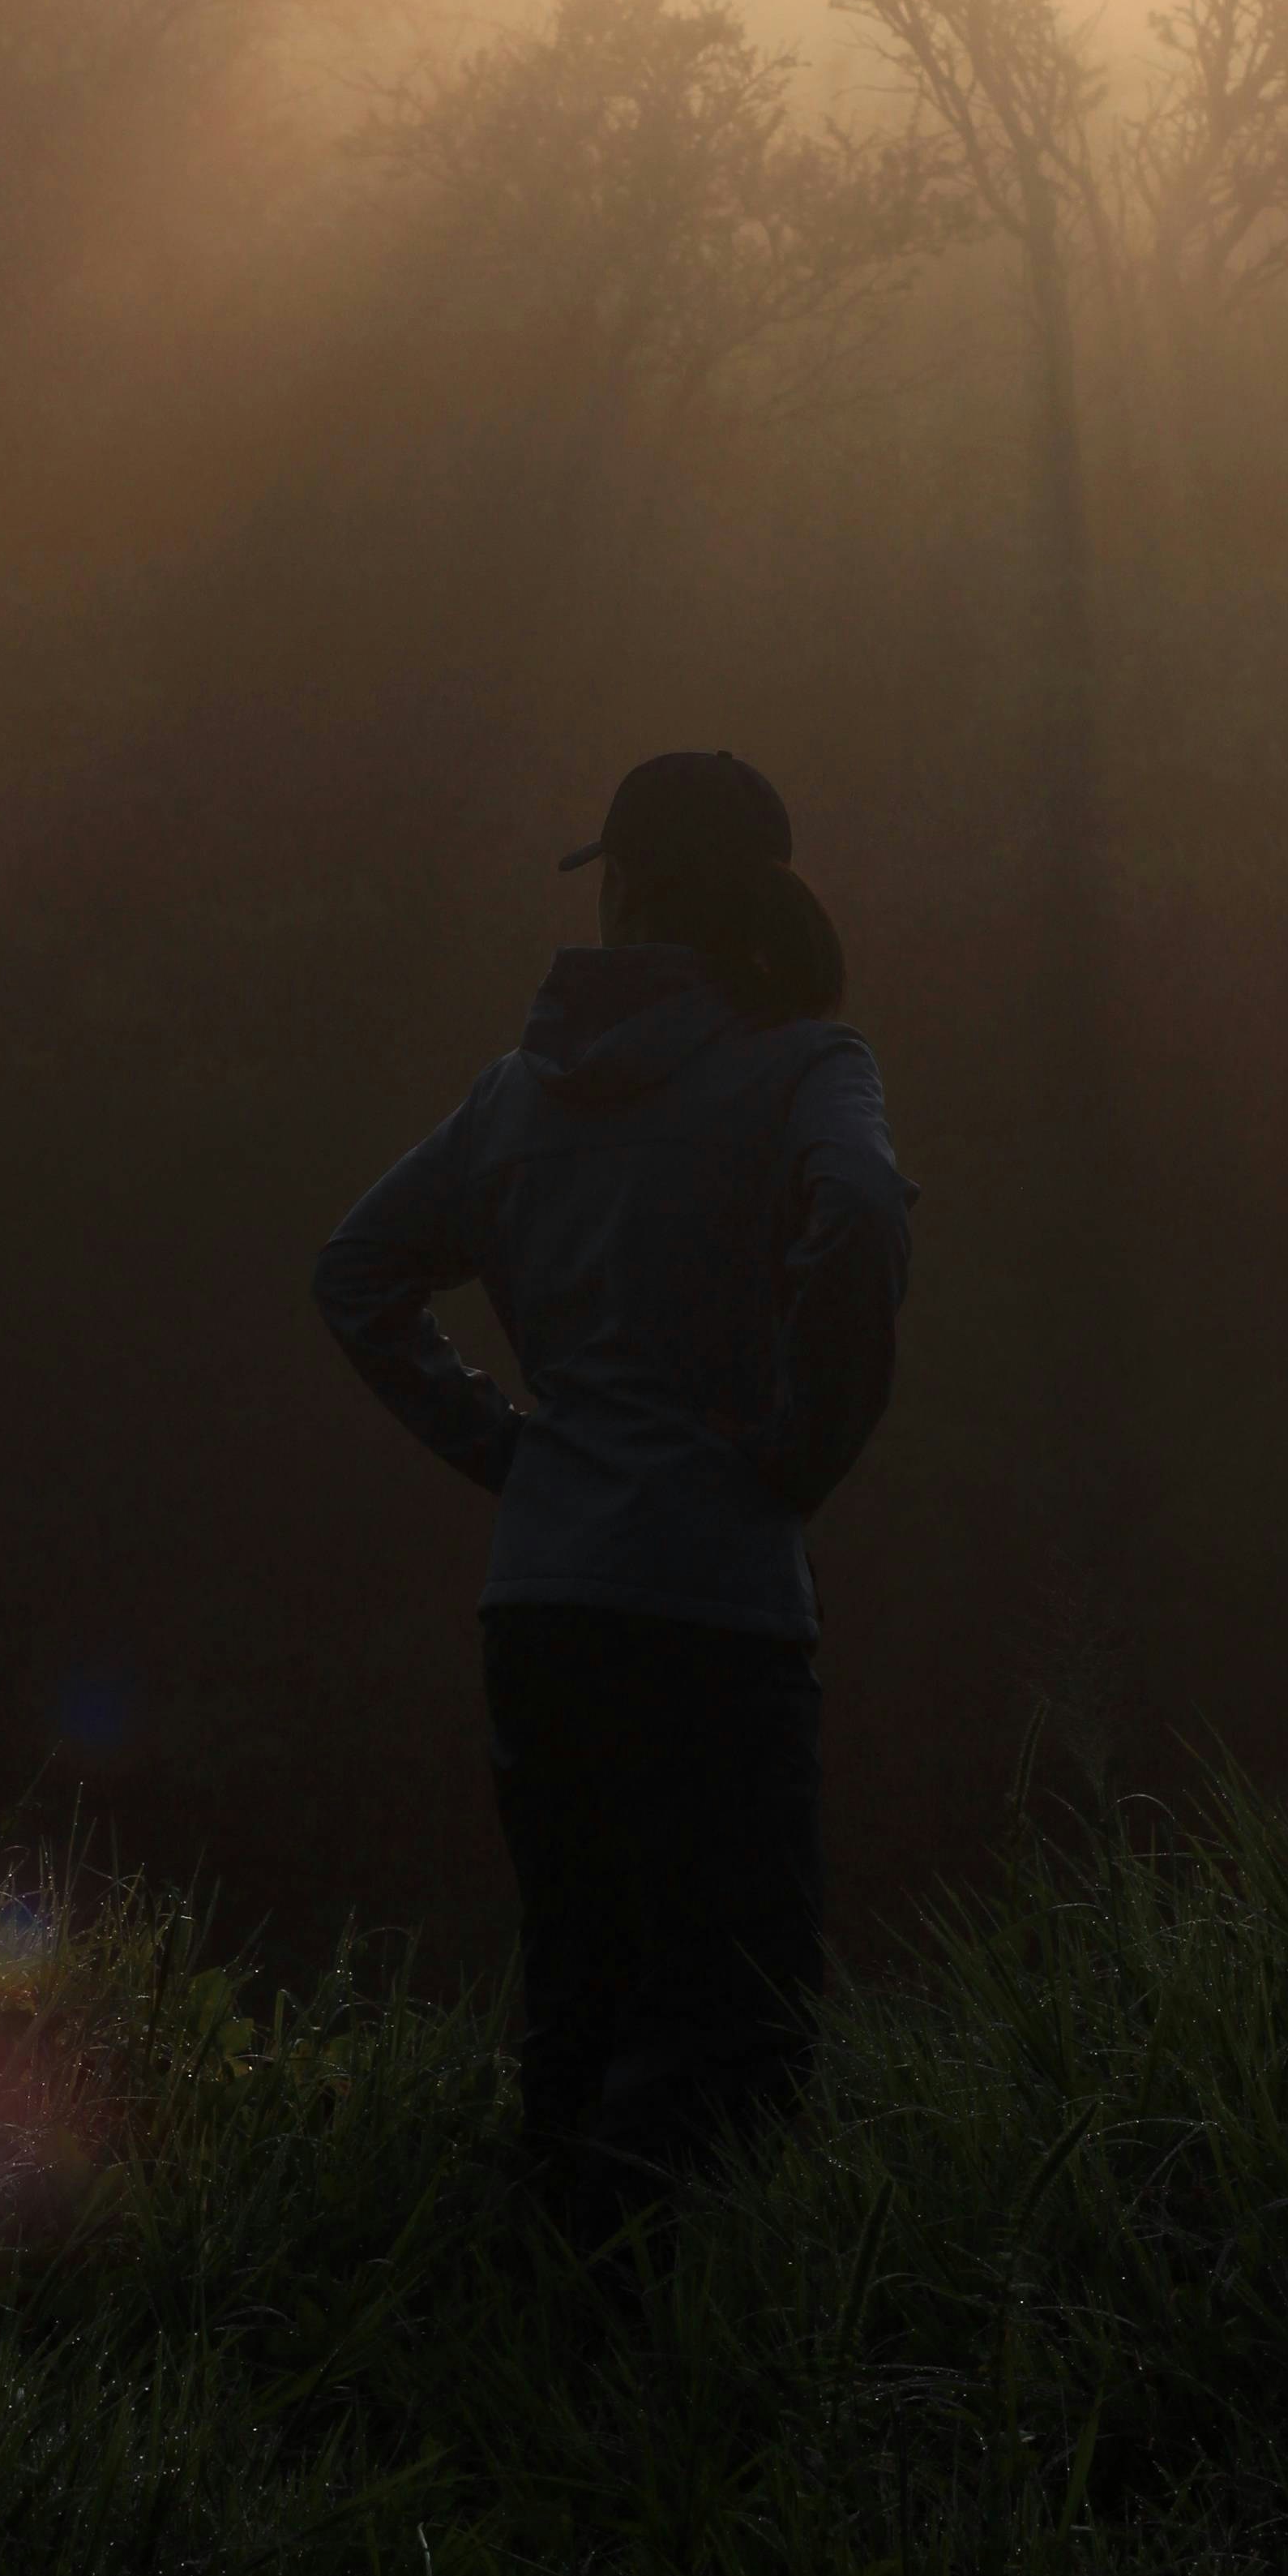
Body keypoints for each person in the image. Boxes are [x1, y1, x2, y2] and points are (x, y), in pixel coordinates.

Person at [311, 750, 914, 2233]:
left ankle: (545, 2346)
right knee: (738, 2018)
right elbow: (860, 1216)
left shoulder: (515, 1097)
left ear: (629, 889)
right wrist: (806, 1446)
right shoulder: (807, 1067)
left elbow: (356, 1278)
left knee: (577, 1991)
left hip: (545, 1601)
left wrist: (511, 1451)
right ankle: (677, 2373)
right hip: (715, 1607)